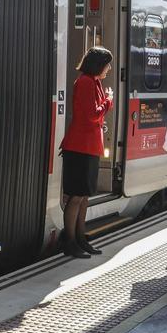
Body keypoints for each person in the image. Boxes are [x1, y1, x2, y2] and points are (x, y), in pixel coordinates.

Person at [58, 46, 115, 258]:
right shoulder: (85, 83)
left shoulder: (94, 82)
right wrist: (108, 101)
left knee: (84, 197)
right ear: (98, 64)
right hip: (80, 146)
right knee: (76, 196)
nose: (109, 68)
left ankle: (80, 238)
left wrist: (104, 101)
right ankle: (70, 241)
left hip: (88, 146)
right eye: (107, 64)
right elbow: (92, 115)